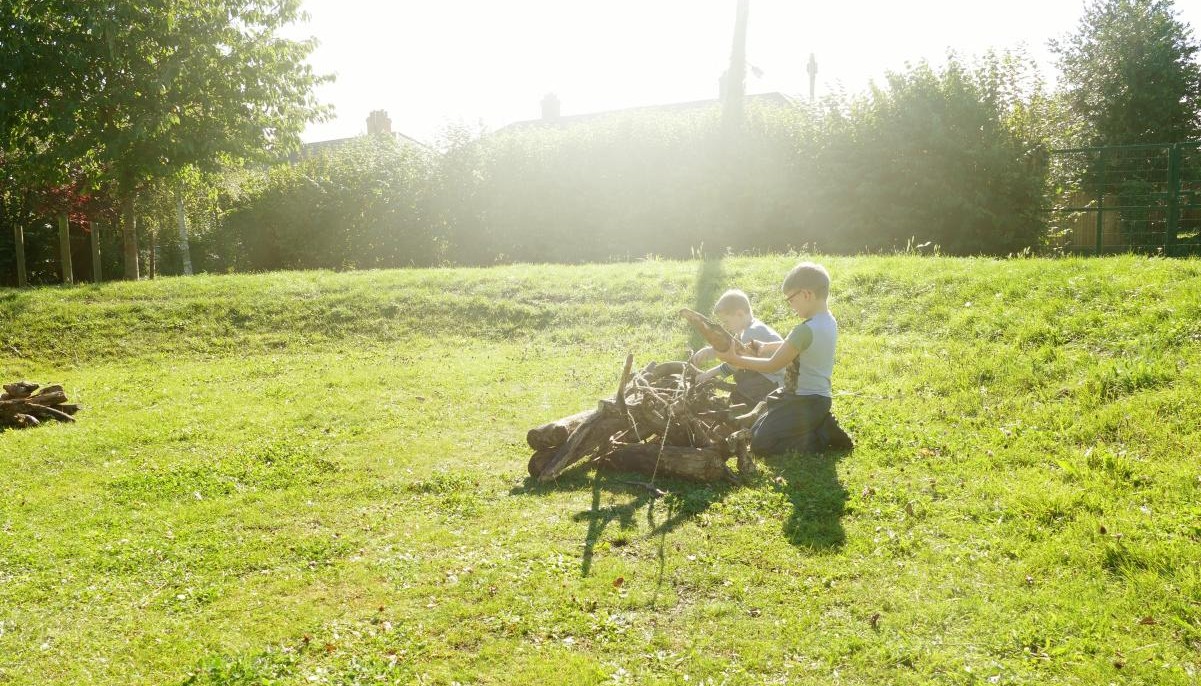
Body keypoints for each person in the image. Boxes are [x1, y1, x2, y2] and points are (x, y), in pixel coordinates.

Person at [714, 262, 854, 455]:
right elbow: (793, 347)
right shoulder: (827, 321)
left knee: (760, 445)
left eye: (791, 300)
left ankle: (822, 433)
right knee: (755, 432)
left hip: (805, 401)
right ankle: (817, 422)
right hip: (811, 398)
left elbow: (773, 366)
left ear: (806, 295)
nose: (791, 306)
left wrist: (735, 359)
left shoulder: (805, 329)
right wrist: (764, 347)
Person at [689, 289, 784, 407]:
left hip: (775, 380)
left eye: (726, 321)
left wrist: (710, 373)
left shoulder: (752, 332)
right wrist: (708, 352)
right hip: (766, 374)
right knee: (742, 378)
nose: (726, 326)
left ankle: (757, 406)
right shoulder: (745, 329)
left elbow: (735, 363)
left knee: (741, 392)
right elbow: (730, 348)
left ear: (739, 314)